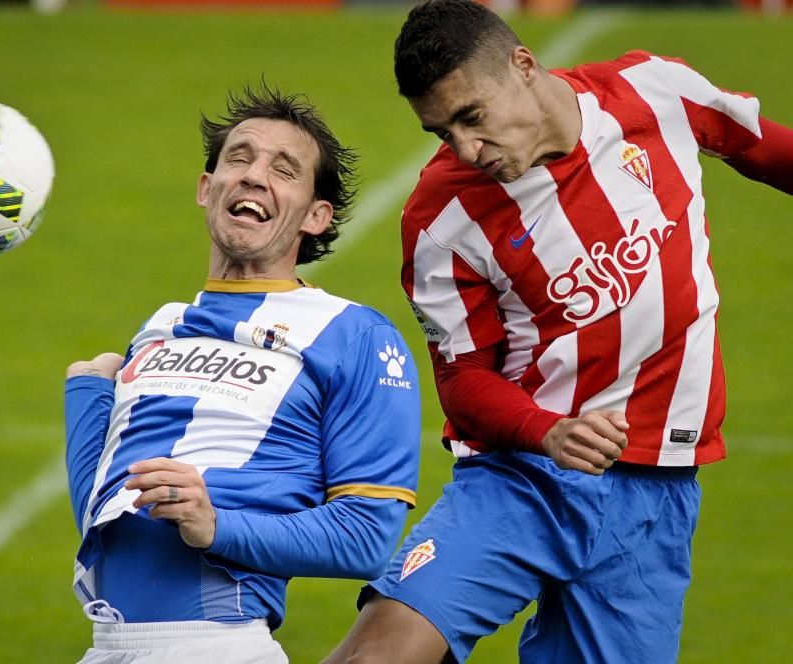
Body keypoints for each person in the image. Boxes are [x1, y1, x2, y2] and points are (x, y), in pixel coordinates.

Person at [325, 1, 793, 663]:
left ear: (522, 66)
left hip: (655, 496)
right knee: (376, 656)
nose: (465, 149)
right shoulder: (441, 214)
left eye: (471, 118)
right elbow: (463, 382)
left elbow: (770, 149)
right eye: (442, 131)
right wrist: (550, 431)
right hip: (523, 480)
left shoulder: (653, 93)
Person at [64, 85, 421, 664]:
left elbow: (368, 537)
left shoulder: (354, 336)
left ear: (315, 216)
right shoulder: (161, 327)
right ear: (207, 189)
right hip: (107, 645)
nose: (255, 176)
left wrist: (217, 525)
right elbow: (104, 508)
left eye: (284, 170)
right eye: (239, 157)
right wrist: (85, 394)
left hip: (214, 645)